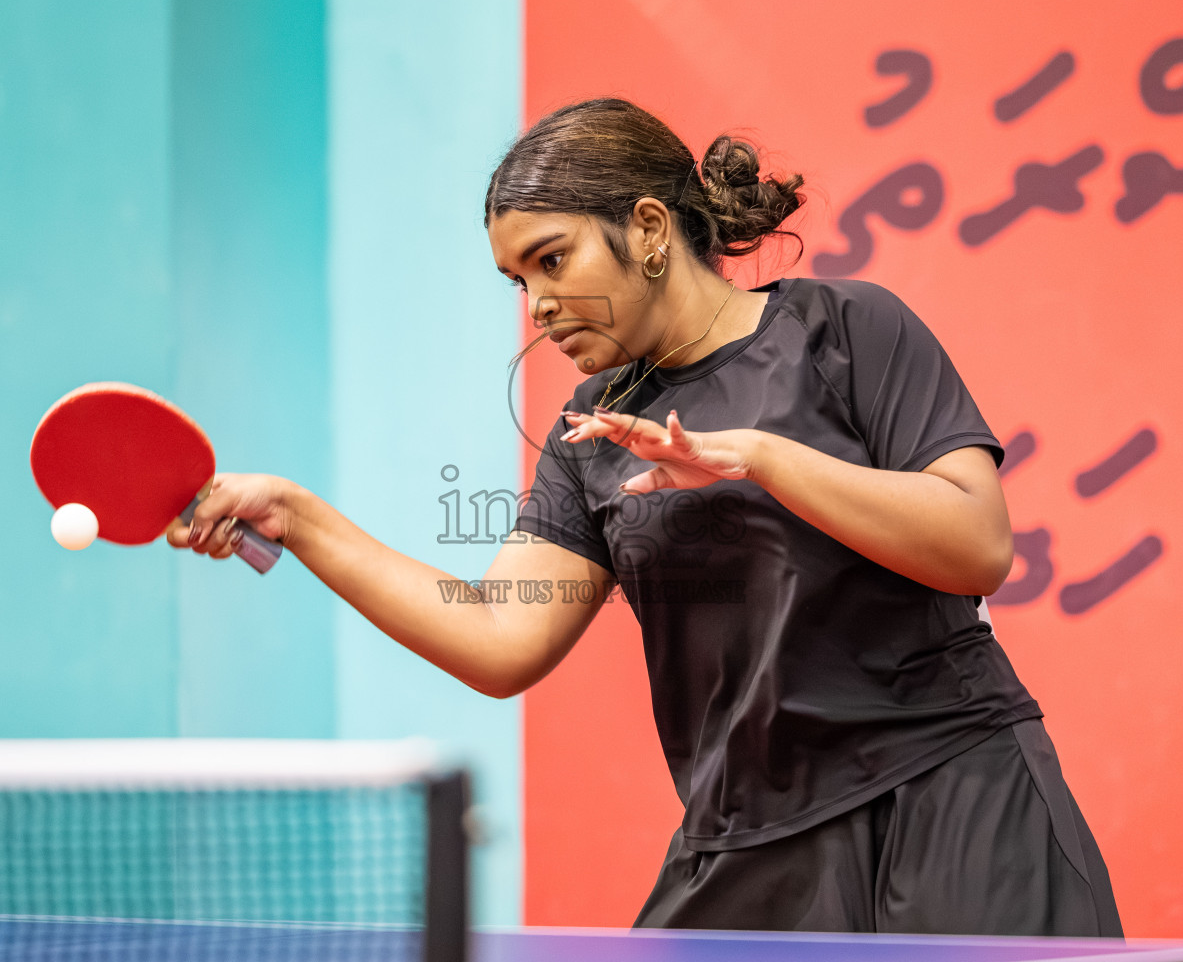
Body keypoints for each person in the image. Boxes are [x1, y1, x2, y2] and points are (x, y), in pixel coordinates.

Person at [168, 97, 1123, 937]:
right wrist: (298, 518)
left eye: (553, 260)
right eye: (518, 281)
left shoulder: (848, 331)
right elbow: (502, 641)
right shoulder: (595, 435)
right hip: (750, 839)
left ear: (651, 227)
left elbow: (976, 544)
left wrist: (759, 456)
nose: (538, 305)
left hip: (955, 800)